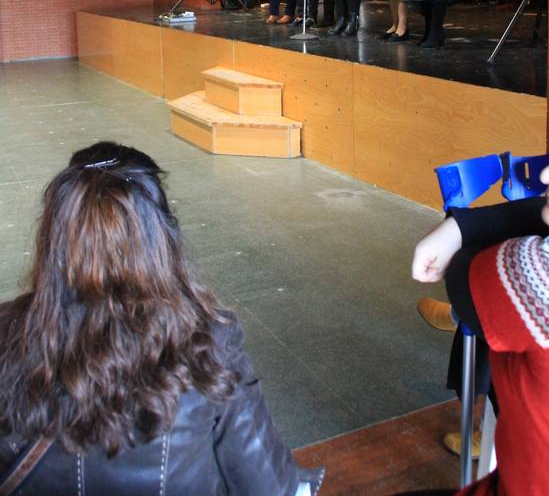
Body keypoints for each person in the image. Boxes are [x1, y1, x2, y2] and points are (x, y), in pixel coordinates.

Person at [0, 142, 324, 495]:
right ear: (162, 238)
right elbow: (271, 488)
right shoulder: (210, 341)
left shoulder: (6, 333)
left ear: (54, 237)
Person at [412, 87, 549, 495]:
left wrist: (460, 229)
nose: (548, 174)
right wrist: (464, 225)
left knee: (485, 306)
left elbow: (468, 275)